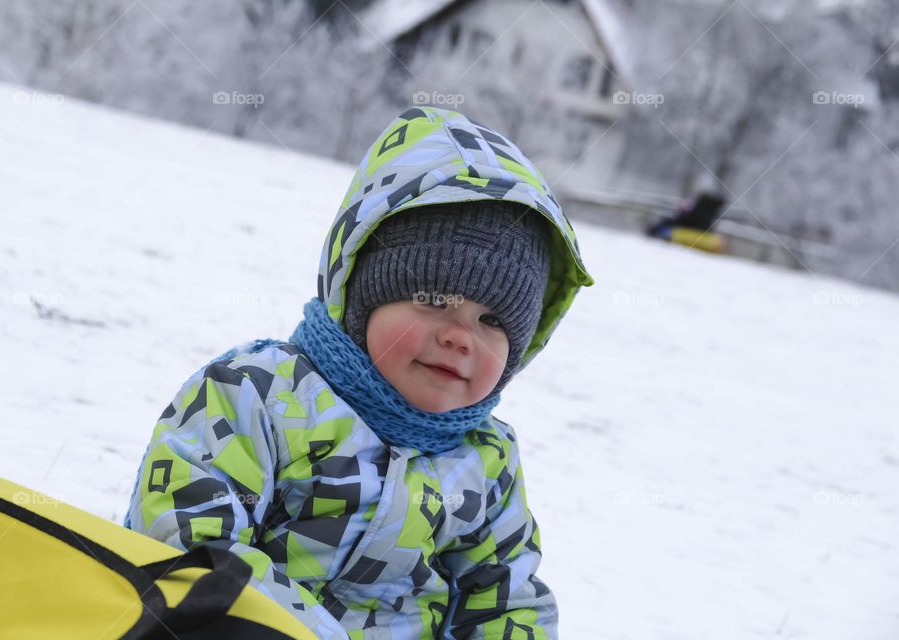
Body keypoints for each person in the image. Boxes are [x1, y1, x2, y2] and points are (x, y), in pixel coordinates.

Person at [124, 106, 595, 639]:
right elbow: (186, 546)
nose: (460, 335)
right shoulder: (256, 395)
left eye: (492, 320)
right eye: (433, 298)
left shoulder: (487, 463)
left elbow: (507, 602)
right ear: (362, 295)